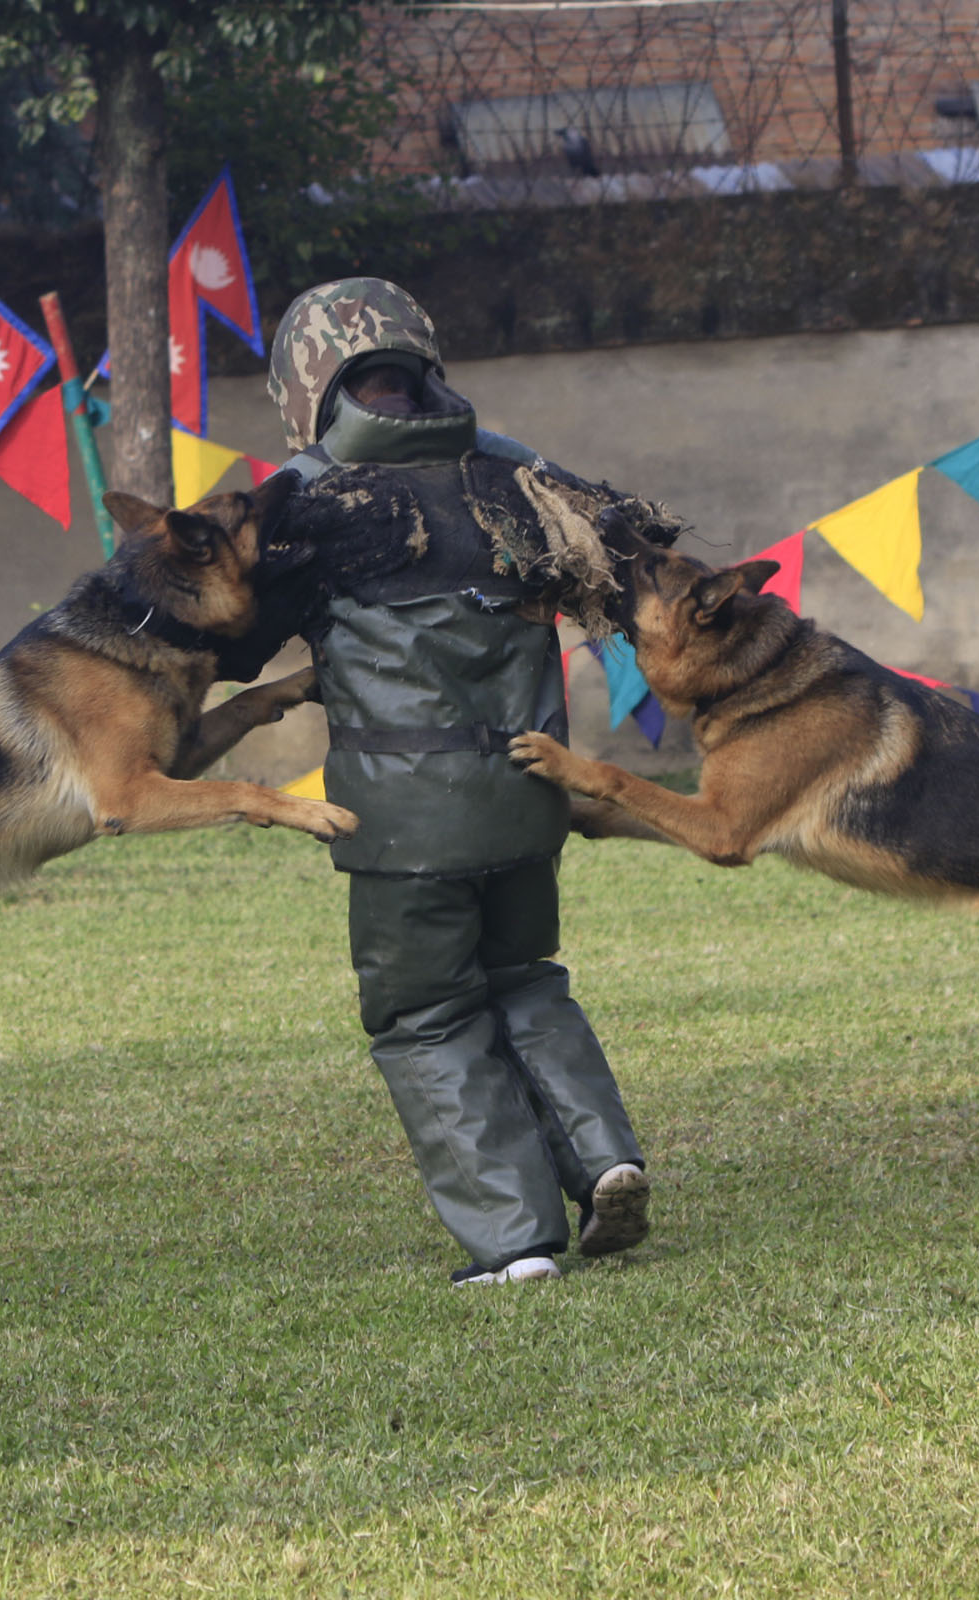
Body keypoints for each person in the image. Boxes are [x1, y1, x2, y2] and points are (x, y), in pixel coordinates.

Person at [267, 277, 654, 1285]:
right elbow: (628, 550)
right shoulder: (517, 472)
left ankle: (514, 1242)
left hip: (402, 824)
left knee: (426, 1015)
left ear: (307, 382)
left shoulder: (302, 495)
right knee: (525, 979)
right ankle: (604, 1157)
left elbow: (225, 624)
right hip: (527, 796)